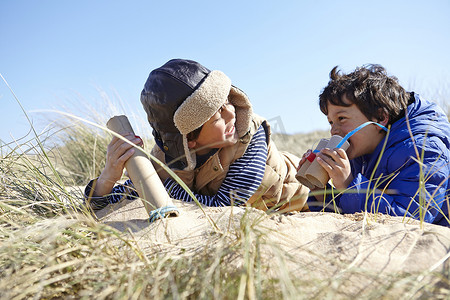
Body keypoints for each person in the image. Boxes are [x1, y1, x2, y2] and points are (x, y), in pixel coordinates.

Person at [84, 58, 309, 213]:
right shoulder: (166, 159)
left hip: (308, 194)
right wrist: (108, 177)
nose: (231, 113)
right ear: (188, 140)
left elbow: (226, 208)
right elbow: (111, 200)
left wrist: (158, 187)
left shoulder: (250, 137)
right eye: (217, 116)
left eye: (227, 102)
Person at [300, 64, 449, 226]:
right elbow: (349, 215)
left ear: (380, 117)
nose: (334, 130)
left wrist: (349, 185)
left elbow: (412, 221)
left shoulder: (424, 149)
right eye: (330, 122)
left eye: (341, 118)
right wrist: (320, 191)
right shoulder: (360, 151)